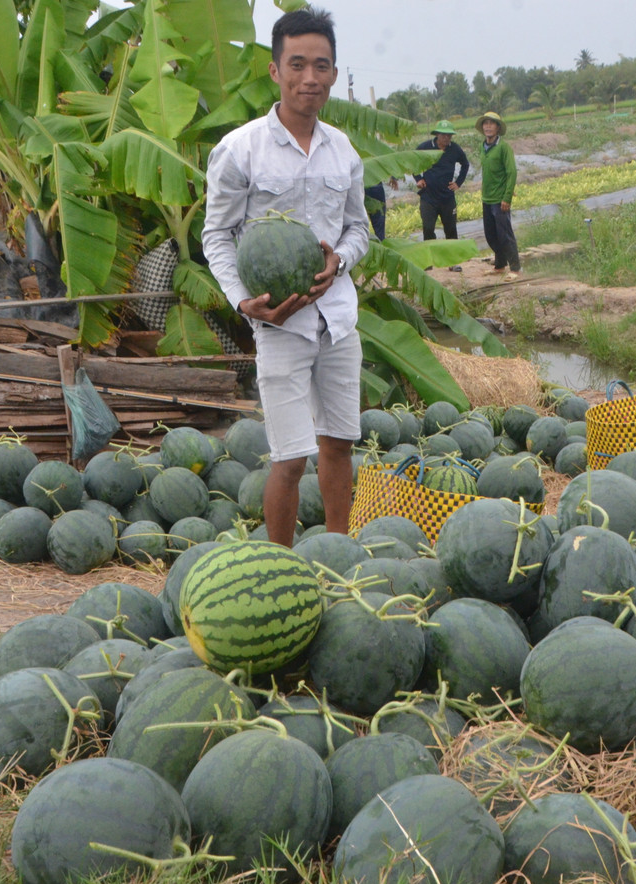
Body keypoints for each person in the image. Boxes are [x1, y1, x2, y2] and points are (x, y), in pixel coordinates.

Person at [202, 6, 369, 547]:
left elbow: (359, 230)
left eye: (321, 66)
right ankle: (282, 564)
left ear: (335, 74)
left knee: (340, 444)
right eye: (297, 64)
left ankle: (339, 554)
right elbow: (217, 236)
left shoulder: (342, 149)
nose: (310, 78)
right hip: (279, 325)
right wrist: (241, 301)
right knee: (290, 457)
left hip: (338, 320)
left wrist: (338, 260)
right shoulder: (240, 148)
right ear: (275, 70)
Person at [476, 111, 520, 276]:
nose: (488, 126)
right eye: (485, 123)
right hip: (486, 198)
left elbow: (511, 172)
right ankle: (500, 265)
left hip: (500, 200)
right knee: (491, 235)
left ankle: (515, 268)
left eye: (491, 123)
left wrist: (507, 197)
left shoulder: (503, 147)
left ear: (498, 127)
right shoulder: (483, 146)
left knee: (505, 235)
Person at [412, 120, 469, 241]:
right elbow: (413, 161)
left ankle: (453, 258)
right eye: (443, 135)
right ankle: (432, 256)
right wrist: (418, 179)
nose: (446, 138)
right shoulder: (425, 147)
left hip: (447, 197)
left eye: (449, 135)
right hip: (428, 197)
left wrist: (458, 183)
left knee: (451, 230)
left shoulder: (455, 149)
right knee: (428, 229)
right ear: (437, 134)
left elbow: (465, 164)